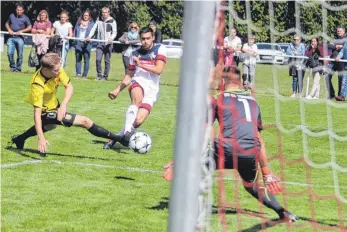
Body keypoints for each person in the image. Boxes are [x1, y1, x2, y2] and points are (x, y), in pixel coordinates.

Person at [163, 67, 298, 222]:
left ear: (222, 81)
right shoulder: (254, 102)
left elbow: (205, 133)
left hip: (226, 149)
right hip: (251, 151)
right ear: (240, 82)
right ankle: (284, 213)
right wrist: (266, 172)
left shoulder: (217, 98)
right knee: (251, 185)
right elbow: (258, 138)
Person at [11, 53, 123, 154]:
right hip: (46, 112)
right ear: (45, 69)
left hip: (56, 105)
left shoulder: (57, 69)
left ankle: (20, 139)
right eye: (56, 70)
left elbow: (69, 86)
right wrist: (41, 137)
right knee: (85, 121)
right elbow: (36, 113)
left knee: (50, 126)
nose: (59, 72)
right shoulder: (37, 84)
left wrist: (63, 105)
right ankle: (120, 138)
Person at [103, 27, 167, 149]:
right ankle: (127, 133)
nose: (145, 41)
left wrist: (141, 64)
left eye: (148, 38)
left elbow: (159, 70)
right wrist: (117, 89)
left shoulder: (160, 49)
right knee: (136, 101)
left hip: (152, 89)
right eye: (143, 39)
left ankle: (115, 137)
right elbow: (130, 75)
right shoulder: (134, 54)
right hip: (138, 82)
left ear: (153, 37)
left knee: (137, 121)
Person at [86, 7, 117, 81]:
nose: (104, 14)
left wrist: (111, 39)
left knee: (107, 61)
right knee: (98, 59)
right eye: (103, 12)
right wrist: (89, 36)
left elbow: (114, 32)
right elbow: (94, 28)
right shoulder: (99, 19)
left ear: (109, 13)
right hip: (100, 42)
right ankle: (99, 75)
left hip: (108, 44)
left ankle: (105, 76)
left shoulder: (112, 20)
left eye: (106, 12)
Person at [5, 4, 32, 72]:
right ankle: (13, 67)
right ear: (16, 10)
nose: (18, 11)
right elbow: (7, 24)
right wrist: (9, 30)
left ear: (23, 11)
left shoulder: (25, 18)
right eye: (17, 10)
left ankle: (18, 68)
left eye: (20, 10)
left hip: (20, 38)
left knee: (20, 54)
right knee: (9, 53)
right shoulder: (11, 15)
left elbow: (30, 27)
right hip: (11, 37)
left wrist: (21, 31)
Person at [325, 27, 347, 100]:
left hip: (341, 62)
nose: (338, 32)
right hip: (333, 61)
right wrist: (336, 46)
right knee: (327, 76)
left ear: (343, 32)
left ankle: (339, 96)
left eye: (340, 31)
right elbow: (329, 45)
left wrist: (341, 47)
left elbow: (345, 48)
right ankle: (331, 94)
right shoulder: (334, 38)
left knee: (341, 79)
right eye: (337, 31)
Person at [74, 10, 95, 78]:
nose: (85, 17)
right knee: (78, 59)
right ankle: (78, 74)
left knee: (86, 60)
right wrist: (75, 40)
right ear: (82, 16)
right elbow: (75, 31)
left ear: (89, 16)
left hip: (87, 44)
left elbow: (93, 32)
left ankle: (84, 75)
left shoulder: (92, 23)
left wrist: (90, 39)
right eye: (84, 15)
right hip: (78, 42)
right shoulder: (78, 22)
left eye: (87, 15)